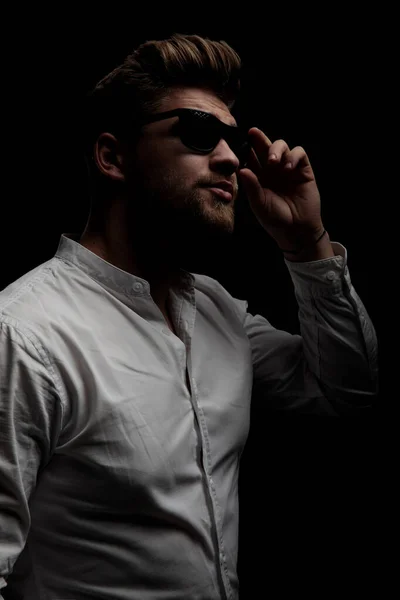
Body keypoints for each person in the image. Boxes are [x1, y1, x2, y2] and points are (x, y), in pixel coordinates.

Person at [0, 32, 377, 600]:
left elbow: (347, 390)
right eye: (199, 134)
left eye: (230, 139)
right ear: (112, 157)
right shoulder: (24, 335)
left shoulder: (217, 310)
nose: (229, 157)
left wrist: (307, 244)